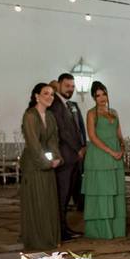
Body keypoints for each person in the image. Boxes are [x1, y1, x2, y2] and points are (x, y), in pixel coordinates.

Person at [20, 83, 62, 249]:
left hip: (47, 164)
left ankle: (50, 237)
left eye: (52, 94)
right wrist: (45, 162)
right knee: (37, 202)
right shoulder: (30, 115)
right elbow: (33, 144)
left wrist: (56, 158)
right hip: (33, 165)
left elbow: (53, 140)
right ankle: (37, 240)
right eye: (46, 93)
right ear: (36, 96)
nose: (50, 97)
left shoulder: (50, 115)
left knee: (49, 202)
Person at [82, 81, 126, 238]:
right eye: (98, 96)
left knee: (115, 192)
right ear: (94, 98)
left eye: (104, 94)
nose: (101, 98)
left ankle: (116, 230)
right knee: (102, 192)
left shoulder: (114, 112)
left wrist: (122, 148)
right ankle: (102, 230)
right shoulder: (91, 113)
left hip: (116, 157)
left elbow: (119, 134)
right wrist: (111, 152)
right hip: (99, 156)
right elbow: (92, 137)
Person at [49, 73, 86, 241]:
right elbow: (63, 131)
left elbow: (78, 128)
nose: (70, 89)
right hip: (65, 157)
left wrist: (83, 146)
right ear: (59, 85)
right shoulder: (56, 105)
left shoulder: (70, 104)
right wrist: (78, 148)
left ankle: (65, 228)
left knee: (67, 196)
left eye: (72, 86)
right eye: (67, 86)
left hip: (74, 158)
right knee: (61, 197)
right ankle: (60, 231)